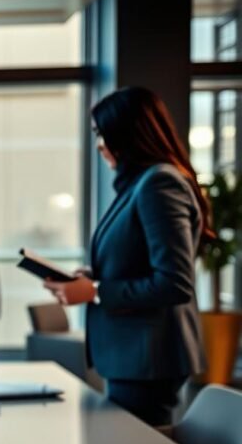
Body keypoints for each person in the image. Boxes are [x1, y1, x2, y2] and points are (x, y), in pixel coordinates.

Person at [43, 86, 209, 426]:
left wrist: (96, 291)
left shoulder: (159, 183)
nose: (99, 144)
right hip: (133, 357)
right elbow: (138, 262)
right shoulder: (139, 185)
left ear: (130, 135)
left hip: (148, 359)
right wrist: (93, 278)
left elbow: (174, 283)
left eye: (104, 134)